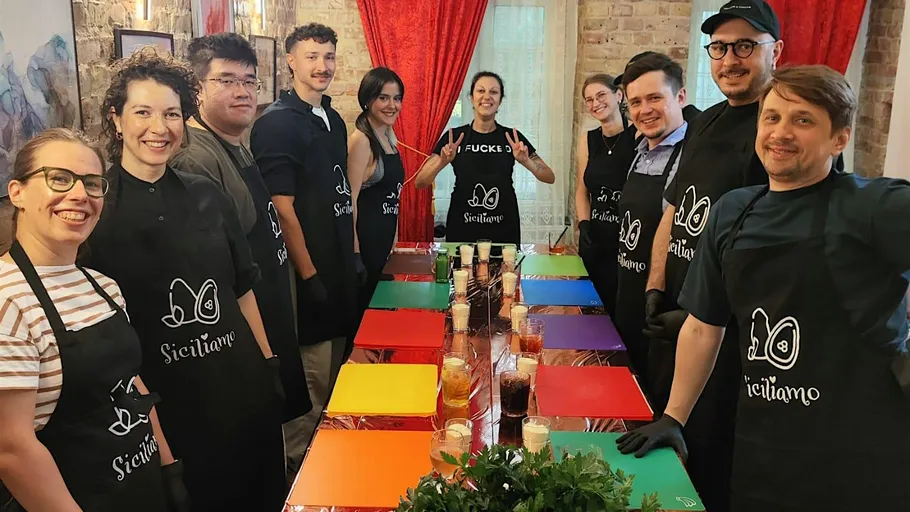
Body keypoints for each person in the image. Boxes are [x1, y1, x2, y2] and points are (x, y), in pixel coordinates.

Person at [619, 64, 910, 511]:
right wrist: (674, 417)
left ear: (840, 138)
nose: (781, 132)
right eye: (771, 117)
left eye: (803, 120)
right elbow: (703, 326)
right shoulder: (734, 211)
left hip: (857, 455)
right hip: (760, 443)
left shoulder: (874, 206)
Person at [82, 47, 285, 510]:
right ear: (116, 120)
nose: (160, 127)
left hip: (243, 387)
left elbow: (243, 287)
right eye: (143, 112)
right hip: (173, 407)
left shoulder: (206, 194)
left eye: (172, 113)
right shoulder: (98, 215)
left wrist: (269, 364)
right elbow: (112, 344)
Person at [634, 2, 783, 510]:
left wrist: (707, 312)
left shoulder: (779, 130)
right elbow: (673, 209)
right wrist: (656, 286)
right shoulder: (706, 120)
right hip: (676, 318)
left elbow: (774, 254)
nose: (730, 59)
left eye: (746, 46)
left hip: (729, 336)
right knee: (662, 441)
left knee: (708, 460)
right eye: (719, 48)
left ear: (775, 51)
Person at [0, 129, 189, 511]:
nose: (79, 195)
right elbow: (12, 449)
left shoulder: (102, 285)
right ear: (17, 192)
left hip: (141, 486)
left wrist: (170, 471)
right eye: (59, 179)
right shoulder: (8, 300)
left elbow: (131, 386)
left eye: (91, 183)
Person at [169, 33, 312, 463]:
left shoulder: (236, 144)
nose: (242, 91)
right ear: (196, 90)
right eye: (226, 80)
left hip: (272, 316)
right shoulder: (195, 159)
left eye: (249, 81)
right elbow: (212, 268)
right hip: (245, 337)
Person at [250, 23, 358, 469]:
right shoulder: (276, 123)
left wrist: (349, 257)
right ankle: (299, 474)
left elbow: (338, 194)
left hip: (336, 269)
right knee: (310, 390)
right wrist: (310, 275)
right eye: (311, 56)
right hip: (304, 278)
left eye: (329, 57)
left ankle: (330, 466)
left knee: (336, 378)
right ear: (291, 60)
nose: (322, 66)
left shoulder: (332, 118)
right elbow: (282, 209)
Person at [614, 54, 694, 390]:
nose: (644, 110)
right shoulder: (640, 150)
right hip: (628, 295)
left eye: (655, 98)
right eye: (635, 102)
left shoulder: (692, 155)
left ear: (680, 97)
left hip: (662, 308)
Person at [414, 71, 555, 245]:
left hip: (504, 227)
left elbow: (549, 177)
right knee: (461, 273)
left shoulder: (512, 138)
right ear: (471, 98)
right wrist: (442, 161)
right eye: (481, 91)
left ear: (500, 100)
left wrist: (526, 161)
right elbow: (420, 182)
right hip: (462, 227)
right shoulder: (455, 137)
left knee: (505, 273)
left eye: (494, 92)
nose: (487, 97)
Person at [574, 74, 637, 313]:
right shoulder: (588, 140)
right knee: (587, 310)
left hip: (626, 242)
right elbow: (582, 190)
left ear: (618, 95)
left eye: (601, 95)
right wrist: (584, 225)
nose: (595, 103)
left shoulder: (637, 137)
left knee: (619, 311)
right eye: (589, 99)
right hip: (595, 240)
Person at [347, 67, 405, 312]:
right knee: (366, 319)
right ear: (368, 100)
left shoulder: (389, 137)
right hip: (366, 247)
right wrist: (356, 254)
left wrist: (394, 242)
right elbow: (349, 202)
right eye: (383, 98)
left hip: (384, 247)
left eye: (397, 98)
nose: (392, 105)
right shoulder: (361, 140)